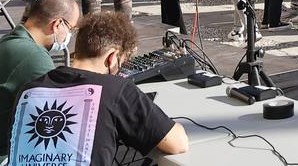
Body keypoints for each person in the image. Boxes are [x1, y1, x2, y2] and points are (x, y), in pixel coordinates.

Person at [11, 11, 188, 162]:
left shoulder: (28, 91)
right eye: (122, 63)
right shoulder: (116, 89)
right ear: (112, 57)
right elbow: (177, 143)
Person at [0, 0, 81, 166]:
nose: (70, 36)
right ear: (57, 24)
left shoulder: (14, 41)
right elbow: (64, 111)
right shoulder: (32, 56)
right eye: (71, 29)